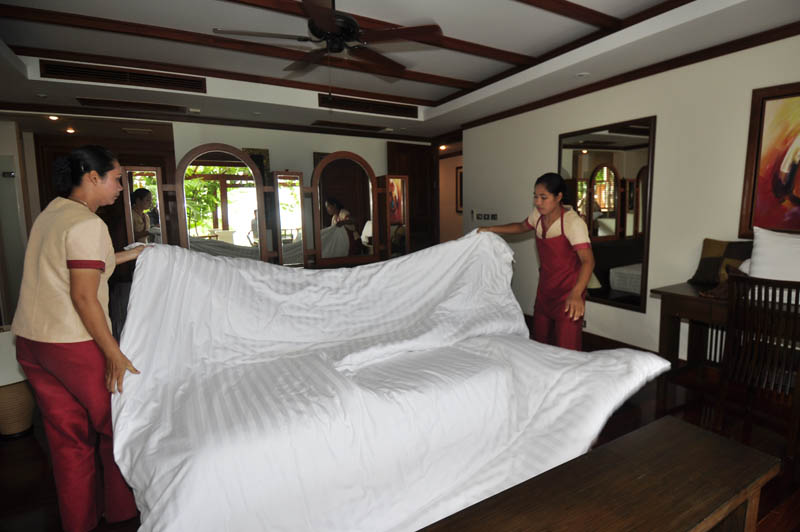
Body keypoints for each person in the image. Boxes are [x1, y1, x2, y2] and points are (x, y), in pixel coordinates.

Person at [11, 146, 145, 532]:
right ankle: (121, 511)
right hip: (72, 343)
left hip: (33, 340)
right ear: (92, 177)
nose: (121, 187)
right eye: (116, 178)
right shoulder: (89, 224)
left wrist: (132, 254)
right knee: (119, 427)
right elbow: (84, 296)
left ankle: (79, 522)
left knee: (67, 439)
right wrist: (113, 353)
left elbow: (75, 266)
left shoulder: (52, 214)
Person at [479, 172, 595, 350]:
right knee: (539, 343)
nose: (537, 202)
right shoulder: (538, 216)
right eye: (535, 196)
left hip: (569, 293)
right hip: (545, 291)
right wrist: (491, 229)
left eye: (543, 197)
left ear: (558, 197)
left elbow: (588, 261)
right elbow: (521, 226)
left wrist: (577, 293)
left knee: (567, 349)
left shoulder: (573, 223)